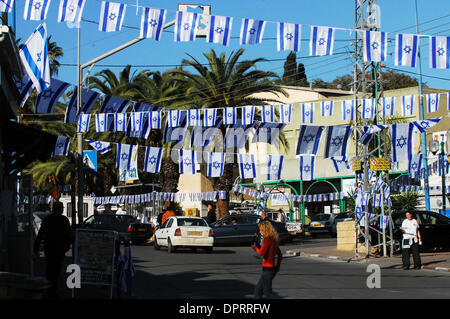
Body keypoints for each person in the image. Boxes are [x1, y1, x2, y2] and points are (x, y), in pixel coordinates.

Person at [33, 201, 72, 298]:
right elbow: (69, 236)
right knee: (56, 269)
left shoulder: (47, 219)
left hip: (49, 247)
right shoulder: (64, 220)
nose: (63, 209)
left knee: (49, 269)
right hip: (60, 249)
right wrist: (68, 246)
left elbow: (40, 235)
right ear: (60, 209)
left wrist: (36, 248)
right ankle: (53, 289)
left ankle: (50, 289)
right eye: (62, 208)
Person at [251, 220, 283, 299]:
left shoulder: (267, 240)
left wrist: (255, 248)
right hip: (272, 268)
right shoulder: (274, 239)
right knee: (258, 291)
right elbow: (280, 254)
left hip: (267, 269)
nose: (260, 232)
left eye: (261, 230)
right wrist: (278, 267)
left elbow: (262, 253)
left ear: (264, 229)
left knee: (267, 293)